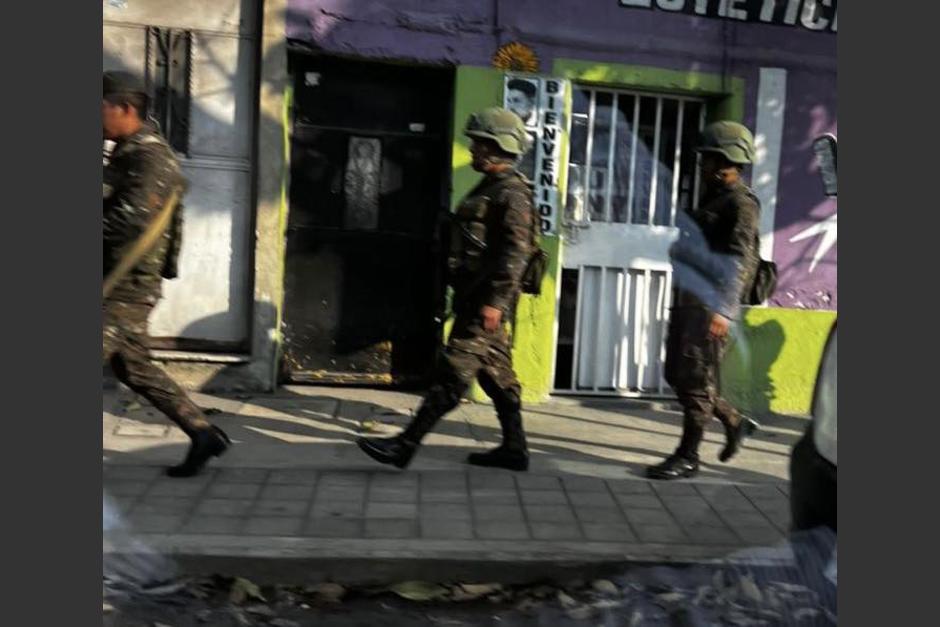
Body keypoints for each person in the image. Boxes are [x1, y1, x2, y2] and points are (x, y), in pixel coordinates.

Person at [357, 108, 535, 471]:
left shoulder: (512, 193)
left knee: (452, 373)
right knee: (496, 375)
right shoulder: (492, 186)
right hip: (475, 297)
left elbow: (517, 253)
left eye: (479, 143)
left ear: (498, 146)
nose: (472, 149)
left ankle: (405, 445)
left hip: (485, 303)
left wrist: (496, 303)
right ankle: (514, 448)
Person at [103, 71, 230, 478]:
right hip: (118, 280)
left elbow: (131, 218)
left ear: (124, 108)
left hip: (125, 285)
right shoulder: (126, 152)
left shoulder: (150, 157)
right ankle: (202, 432)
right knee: (134, 367)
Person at [647, 120, 762, 481]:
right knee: (678, 373)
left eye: (708, 158)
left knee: (696, 379)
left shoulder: (741, 204)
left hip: (710, 305)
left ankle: (689, 456)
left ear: (727, 160)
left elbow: (741, 259)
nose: (702, 164)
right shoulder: (713, 199)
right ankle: (734, 421)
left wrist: (724, 310)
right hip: (689, 298)